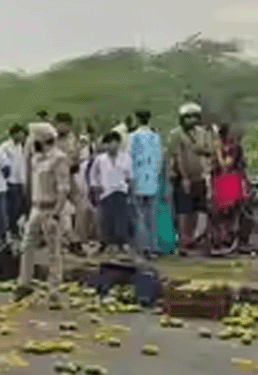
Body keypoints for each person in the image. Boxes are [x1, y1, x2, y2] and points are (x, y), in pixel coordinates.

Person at [14, 123, 69, 306]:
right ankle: (24, 283)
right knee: (27, 246)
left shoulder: (59, 159)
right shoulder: (36, 159)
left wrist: (56, 213)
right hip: (36, 208)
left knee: (54, 251)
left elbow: (63, 189)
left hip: (50, 208)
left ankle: (54, 290)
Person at [167, 102, 215, 255]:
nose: (191, 120)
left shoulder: (202, 133)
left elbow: (210, 150)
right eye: (188, 117)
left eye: (194, 117)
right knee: (183, 211)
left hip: (199, 176)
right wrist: (184, 178)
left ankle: (191, 239)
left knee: (196, 210)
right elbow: (176, 156)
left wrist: (202, 150)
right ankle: (183, 241)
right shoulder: (176, 134)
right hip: (182, 177)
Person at [91, 132, 133, 256]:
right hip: (106, 191)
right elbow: (94, 175)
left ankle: (122, 243)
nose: (111, 146)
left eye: (114, 143)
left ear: (118, 144)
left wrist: (130, 190)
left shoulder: (125, 158)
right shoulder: (100, 159)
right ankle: (109, 243)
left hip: (121, 190)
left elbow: (130, 176)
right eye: (108, 144)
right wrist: (96, 188)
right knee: (107, 219)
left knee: (122, 219)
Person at [209, 123, 248, 255]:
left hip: (229, 180)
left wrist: (218, 151)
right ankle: (223, 240)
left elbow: (225, 165)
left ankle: (226, 241)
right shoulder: (230, 145)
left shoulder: (231, 147)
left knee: (225, 212)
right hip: (223, 180)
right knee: (223, 213)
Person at [129, 110, 163, 259]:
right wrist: (156, 174)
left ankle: (143, 246)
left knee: (139, 215)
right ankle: (153, 246)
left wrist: (130, 178)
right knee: (151, 215)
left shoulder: (133, 137)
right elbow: (159, 159)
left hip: (137, 178)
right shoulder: (155, 137)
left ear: (137, 119)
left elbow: (129, 157)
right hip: (152, 179)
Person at [53, 113, 83, 253]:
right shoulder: (51, 140)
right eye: (59, 124)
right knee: (61, 209)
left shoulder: (72, 139)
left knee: (79, 207)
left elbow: (75, 159)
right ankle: (68, 240)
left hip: (69, 176)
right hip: (55, 179)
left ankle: (73, 237)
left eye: (66, 125)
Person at [0, 124, 28, 238]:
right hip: (10, 181)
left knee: (20, 207)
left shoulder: (20, 146)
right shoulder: (5, 147)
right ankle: (11, 229)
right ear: (14, 134)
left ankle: (14, 228)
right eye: (20, 134)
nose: (22, 136)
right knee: (12, 207)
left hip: (20, 181)